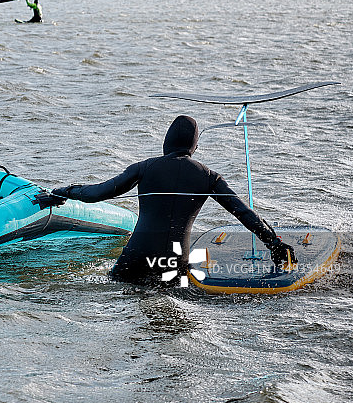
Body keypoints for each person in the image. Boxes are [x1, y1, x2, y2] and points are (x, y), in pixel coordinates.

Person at [45, 115, 296, 285]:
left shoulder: (144, 167)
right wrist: (274, 243)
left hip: (135, 259)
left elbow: (97, 193)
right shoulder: (209, 177)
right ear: (194, 146)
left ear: (166, 141)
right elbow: (244, 213)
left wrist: (62, 192)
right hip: (176, 262)